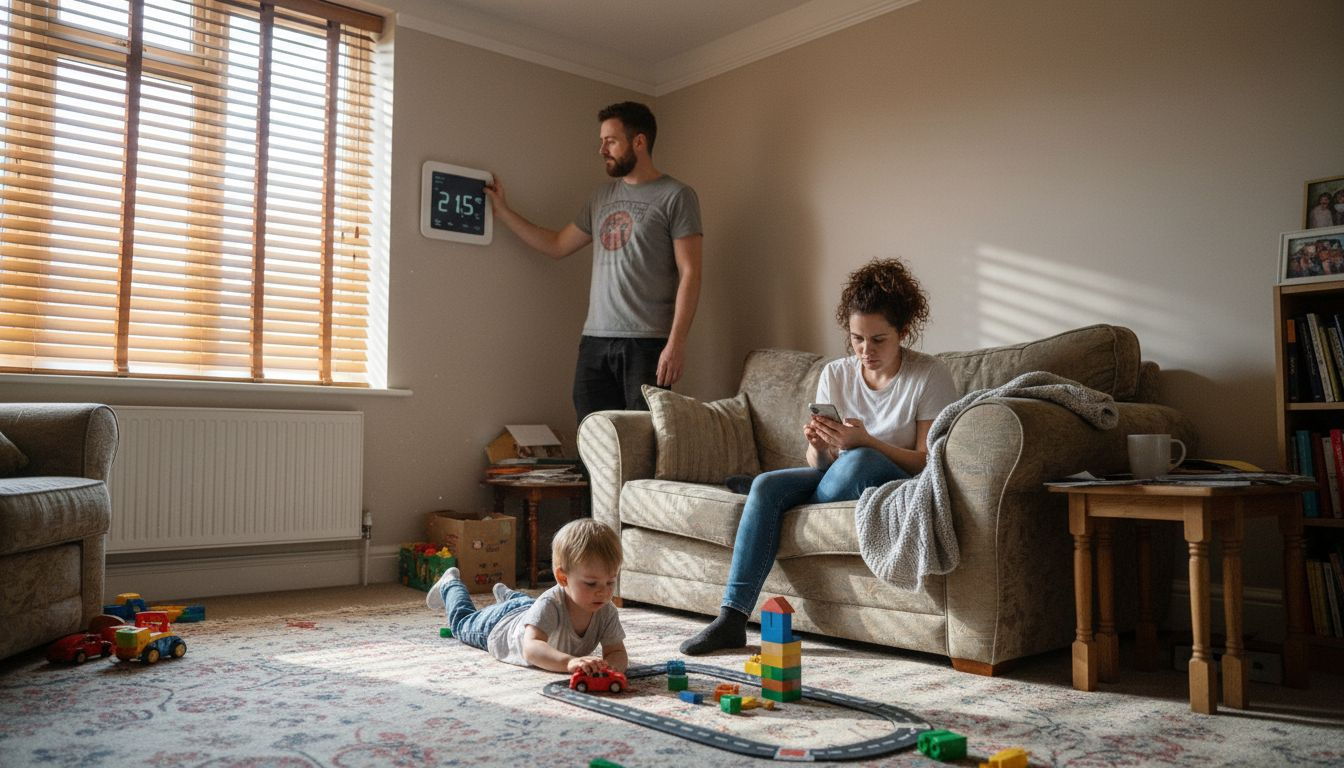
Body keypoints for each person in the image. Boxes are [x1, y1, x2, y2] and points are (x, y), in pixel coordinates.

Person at [680, 258, 959, 655]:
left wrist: (867, 441)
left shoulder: (930, 376)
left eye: (878, 339)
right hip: (838, 476)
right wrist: (817, 443)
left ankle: (782, 504)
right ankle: (732, 618)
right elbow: (820, 466)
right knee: (766, 484)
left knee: (859, 461)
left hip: (893, 476)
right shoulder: (836, 374)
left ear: (903, 331)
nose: (866, 351)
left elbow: (926, 462)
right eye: (857, 339)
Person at [485, 102, 703, 423]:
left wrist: (676, 343)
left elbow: (691, 272)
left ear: (639, 142)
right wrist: (502, 211)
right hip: (595, 342)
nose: (602, 149)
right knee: (594, 443)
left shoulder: (676, 195)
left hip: (648, 345)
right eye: (602, 141)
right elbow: (557, 244)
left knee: (645, 445)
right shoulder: (601, 197)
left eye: (611, 141)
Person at [426, 518, 628, 674]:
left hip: (529, 608)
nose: (604, 591)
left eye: (610, 581)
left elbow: (616, 652)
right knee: (461, 624)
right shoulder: (551, 604)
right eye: (591, 583)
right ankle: (450, 583)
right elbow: (531, 648)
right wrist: (569, 662)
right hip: (500, 625)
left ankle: (510, 596)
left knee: (531, 606)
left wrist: (608, 669)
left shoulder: (605, 610)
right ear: (562, 578)